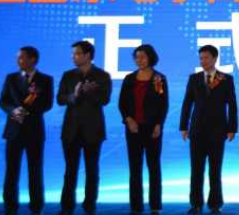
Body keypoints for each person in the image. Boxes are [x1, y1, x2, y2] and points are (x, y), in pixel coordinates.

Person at [180, 45, 237, 214]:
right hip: (197, 130)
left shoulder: (226, 79)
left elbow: (232, 105)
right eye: (201, 58)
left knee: (215, 169)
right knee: (196, 169)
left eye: (206, 57)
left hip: (218, 130)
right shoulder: (194, 78)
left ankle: (215, 204)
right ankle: (196, 203)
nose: (203, 61)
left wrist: (232, 128)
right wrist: (183, 126)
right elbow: (187, 103)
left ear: (214, 58)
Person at [57, 41, 112, 215]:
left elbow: (105, 100)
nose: (73, 56)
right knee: (70, 170)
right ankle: (67, 207)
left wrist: (89, 91)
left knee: (92, 170)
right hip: (71, 129)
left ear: (87, 55)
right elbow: (60, 99)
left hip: (93, 129)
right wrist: (75, 94)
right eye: (73, 54)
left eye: (77, 53)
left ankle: (89, 205)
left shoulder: (102, 75)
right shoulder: (68, 75)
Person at [1, 46, 53, 215]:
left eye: (22, 57)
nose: (19, 60)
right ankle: (10, 207)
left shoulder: (46, 79)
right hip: (14, 130)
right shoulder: (11, 78)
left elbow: (47, 104)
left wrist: (28, 109)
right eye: (18, 57)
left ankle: (36, 207)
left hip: (34, 131)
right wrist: (14, 110)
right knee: (11, 171)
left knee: (35, 170)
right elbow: (3, 101)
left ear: (33, 59)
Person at [118, 44, 169, 214]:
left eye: (143, 57)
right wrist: (128, 120)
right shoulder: (129, 79)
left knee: (154, 167)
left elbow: (163, 104)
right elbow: (122, 103)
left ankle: (155, 206)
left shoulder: (158, 79)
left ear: (150, 58)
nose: (139, 60)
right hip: (133, 129)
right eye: (136, 57)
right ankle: (136, 206)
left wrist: (158, 124)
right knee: (135, 168)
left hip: (152, 129)